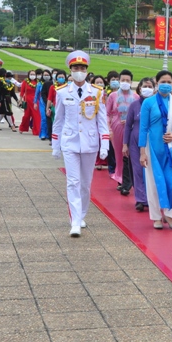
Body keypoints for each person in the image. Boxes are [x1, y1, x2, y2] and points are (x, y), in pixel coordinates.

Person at [51, 51, 109, 237]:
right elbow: (58, 120)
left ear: (87, 71)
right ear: (70, 70)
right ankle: (74, 221)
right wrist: (55, 145)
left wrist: (105, 144)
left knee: (85, 183)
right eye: (76, 68)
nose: (79, 71)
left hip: (90, 142)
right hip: (70, 142)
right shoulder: (61, 92)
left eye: (82, 68)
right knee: (73, 182)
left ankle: (82, 214)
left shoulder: (97, 92)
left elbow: (102, 121)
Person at [138, 71, 172, 230]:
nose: (166, 84)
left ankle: (171, 216)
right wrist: (142, 152)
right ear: (157, 83)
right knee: (153, 184)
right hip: (153, 150)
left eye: (169, 82)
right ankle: (157, 217)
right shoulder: (148, 103)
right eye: (163, 81)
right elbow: (143, 128)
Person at [124, 78, 154, 212]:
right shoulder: (134, 105)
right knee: (137, 170)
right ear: (140, 88)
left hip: (152, 141)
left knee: (150, 170)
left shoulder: (156, 105)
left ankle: (151, 198)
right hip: (135, 141)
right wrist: (125, 144)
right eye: (145, 86)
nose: (147, 88)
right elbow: (127, 125)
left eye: (150, 86)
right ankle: (141, 200)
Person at [106, 69, 139, 192]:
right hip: (117, 127)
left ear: (131, 82)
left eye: (127, 80)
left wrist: (131, 121)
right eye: (123, 80)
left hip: (131, 129)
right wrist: (109, 129)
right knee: (119, 154)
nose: (125, 82)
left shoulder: (136, 97)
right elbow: (107, 113)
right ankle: (120, 178)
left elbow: (138, 113)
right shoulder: (112, 96)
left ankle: (129, 180)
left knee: (131, 154)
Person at [19, 69, 41, 135]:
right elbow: (22, 92)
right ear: (28, 75)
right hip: (27, 100)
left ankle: (37, 130)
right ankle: (22, 128)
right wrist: (20, 100)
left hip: (35, 101)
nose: (32, 75)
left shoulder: (38, 82)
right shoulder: (25, 82)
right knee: (26, 115)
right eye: (31, 74)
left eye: (34, 74)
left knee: (36, 116)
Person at [35, 70, 53, 140]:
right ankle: (43, 133)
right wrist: (35, 103)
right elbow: (36, 94)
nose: (46, 76)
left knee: (50, 119)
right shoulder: (40, 84)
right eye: (45, 75)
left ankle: (49, 134)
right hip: (42, 103)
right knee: (43, 118)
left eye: (47, 75)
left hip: (51, 103)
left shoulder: (53, 83)